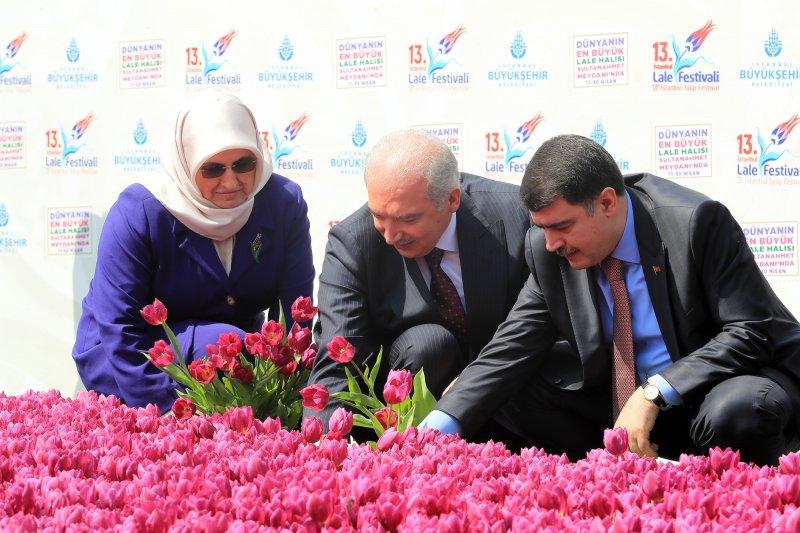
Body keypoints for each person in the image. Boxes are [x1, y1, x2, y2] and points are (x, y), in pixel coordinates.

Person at [423, 134, 800, 465]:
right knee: (501, 389)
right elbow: (511, 347)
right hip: (622, 410)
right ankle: (602, 482)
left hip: (713, 391)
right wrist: (432, 432)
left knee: (738, 409)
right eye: (542, 228)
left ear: (606, 203)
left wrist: (655, 391)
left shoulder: (694, 223)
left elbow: (750, 330)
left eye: (562, 226)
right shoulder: (548, 250)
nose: (552, 243)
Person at [73, 95, 314, 412]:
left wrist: (279, 400)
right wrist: (170, 410)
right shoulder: (140, 213)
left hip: (232, 358)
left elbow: (294, 316)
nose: (231, 181)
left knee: (232, 344)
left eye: (244, 164)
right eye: (213, 169)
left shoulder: (283, 203)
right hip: (131, 357)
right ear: (186, 164)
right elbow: (120, 328)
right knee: (227, 340)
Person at [306, 129, 530, 428]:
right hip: (403, 405)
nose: (389, 235)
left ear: (452, 199)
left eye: (408, 219)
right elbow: (338, 358)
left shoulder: (516, 216)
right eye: (379, 216)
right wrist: (324, 447)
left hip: (509, 388)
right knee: (428, 343)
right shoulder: (353, 243)